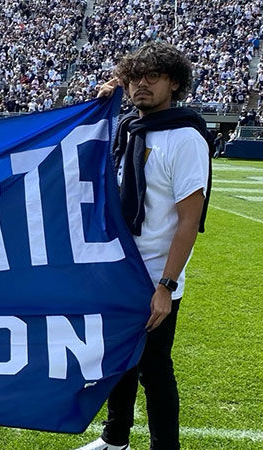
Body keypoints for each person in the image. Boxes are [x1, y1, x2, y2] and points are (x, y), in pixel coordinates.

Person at [77, 42, 211, 450]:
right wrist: (104, 99)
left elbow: (189, 220)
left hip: (155, 275)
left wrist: (166, 287)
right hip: (118, 268)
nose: (142, 85)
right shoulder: (128, 127)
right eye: (134, 77)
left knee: (154, 369)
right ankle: (116, 438)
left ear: (174, 82)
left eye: (153, 77)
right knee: (119, 362)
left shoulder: (186, 138)